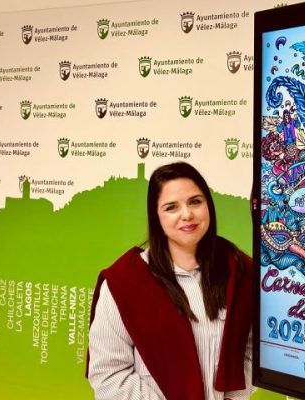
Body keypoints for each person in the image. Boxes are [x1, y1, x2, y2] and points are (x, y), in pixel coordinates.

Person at [87, 162, 253, 400]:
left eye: (195, 201)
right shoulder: (124, 282)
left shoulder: (239, 272)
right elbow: (109, 375)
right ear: (156, 216)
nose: (187, 214)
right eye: (171, 207)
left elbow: (251, 350)